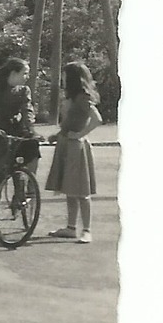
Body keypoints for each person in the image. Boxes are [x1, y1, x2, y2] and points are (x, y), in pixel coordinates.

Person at [45, 62, 103, 243]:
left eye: (64, 75)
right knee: (69, 190)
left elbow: (97, 119)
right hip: (65, 144)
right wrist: (59, 134)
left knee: (81, 191)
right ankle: (71, 228)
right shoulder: (71, 97)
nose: (62, 79)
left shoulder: (82, 97)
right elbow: (70, 121)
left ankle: (87, 230)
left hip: (76, 147)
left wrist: (79, 135)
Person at [0, 56, 39, 234]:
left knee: (27, 158)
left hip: (16, 129)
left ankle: (23, 195)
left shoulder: (23, 90)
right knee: (0, 174)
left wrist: (30, 128)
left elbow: (27, 109)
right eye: (24, 73)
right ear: (13, 73)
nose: (26, 77)